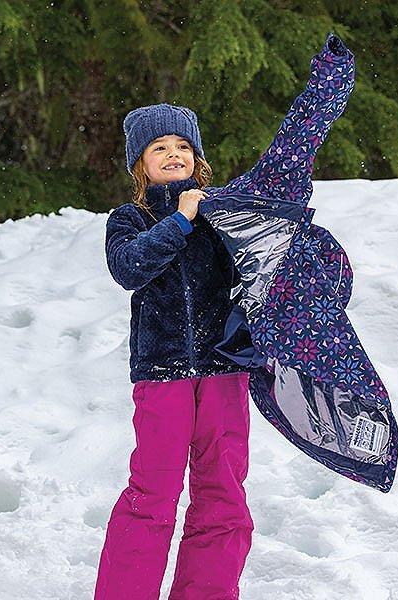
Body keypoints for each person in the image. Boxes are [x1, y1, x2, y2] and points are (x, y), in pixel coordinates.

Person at [94, 103, 254, 600]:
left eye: (183, 146)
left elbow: (255, 274)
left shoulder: (221, 217)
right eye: (159, 147)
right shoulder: (131, 219)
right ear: (138, 163)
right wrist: (180, 220)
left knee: (223, 494)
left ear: (198, 158)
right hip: (162, 373)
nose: (173, 154)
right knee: (153, 494)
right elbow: (128, 268)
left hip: (225, 370)